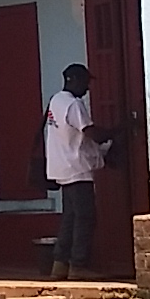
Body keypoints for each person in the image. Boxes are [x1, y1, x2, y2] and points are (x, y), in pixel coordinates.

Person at [43, 63, 107, 279]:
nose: (88, 89)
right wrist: (114, 134)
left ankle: (59, 265)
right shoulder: (73, 104)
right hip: (77, 168)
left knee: (70, 218)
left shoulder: (56, 100)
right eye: (86, 83)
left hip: (60, 168)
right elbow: (90, 132)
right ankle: (78, 265)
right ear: (76, 81)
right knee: (86, 217)